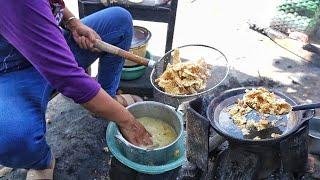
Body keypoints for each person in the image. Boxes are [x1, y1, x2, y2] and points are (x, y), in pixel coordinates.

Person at [0, 0, 152, 179]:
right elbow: (69, 78)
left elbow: (47, 6)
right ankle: (42, 162)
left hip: (51, 45)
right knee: (12, 138)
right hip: (10, 72)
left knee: (119, 20)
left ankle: (108, 98)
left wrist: (73, 23)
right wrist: (129, 122)